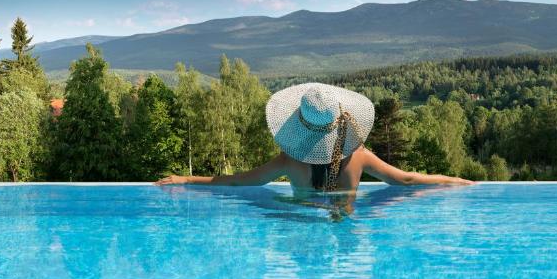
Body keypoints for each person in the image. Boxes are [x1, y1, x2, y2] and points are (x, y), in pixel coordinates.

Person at [155, 83, 473, 191]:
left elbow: (239, 182)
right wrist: (456, 181)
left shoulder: (290, 161)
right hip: (346, 229)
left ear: (300, 124)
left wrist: (186, 180)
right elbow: (406, 180)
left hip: (302, 228)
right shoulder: (358, 155)